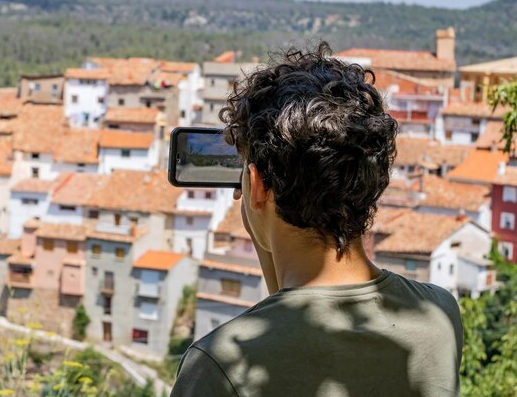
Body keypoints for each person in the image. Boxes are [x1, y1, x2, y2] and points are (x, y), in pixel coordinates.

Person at [170, 42, 463, 397]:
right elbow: (303, 318)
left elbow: (292, 324)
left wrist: (258, 216)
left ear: (259, 185)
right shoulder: (439, 313)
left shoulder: (220, 364)